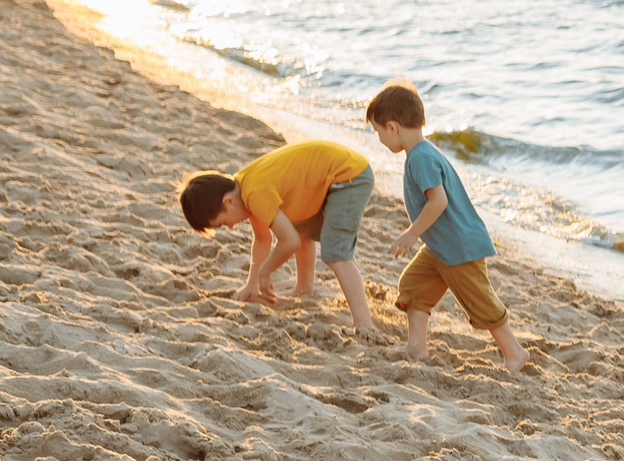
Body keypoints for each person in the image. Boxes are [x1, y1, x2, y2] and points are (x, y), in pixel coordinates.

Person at [364, 82, 527, 371]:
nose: (380, 140)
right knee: (413, 284)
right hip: (442, 246)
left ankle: (514, 352)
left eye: (378, 133)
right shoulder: (422, 153)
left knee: (480, 301)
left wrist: (411, 233)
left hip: (458, 246)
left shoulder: (421, 158)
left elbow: (438, 201)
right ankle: (416, 347)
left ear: (392, 127)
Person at [177, 140, 383, 336]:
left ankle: (364, 324)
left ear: (228, 202)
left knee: (335, 252)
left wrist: (265, 272)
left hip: (348, 176)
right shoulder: (244, 190)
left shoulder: (255, 193)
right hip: (333, 175)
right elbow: (262, 240)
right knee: (300, 229)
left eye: (223, 223)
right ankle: (304, 288)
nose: (230, 226)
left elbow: (289, 242)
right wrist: (252, 283)